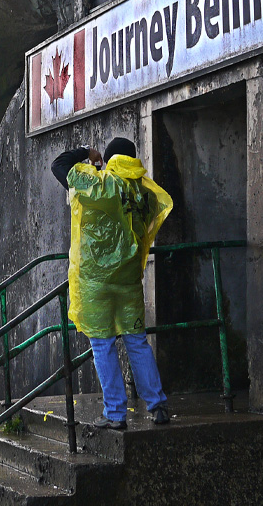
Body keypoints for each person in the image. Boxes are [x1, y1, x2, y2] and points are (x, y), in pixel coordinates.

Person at [51, 137, 174, 430]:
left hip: (96, 283)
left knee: (102, 344)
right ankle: (158, 406)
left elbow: (59, 166)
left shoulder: (100, 183)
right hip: (129, 279)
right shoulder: (144, 192)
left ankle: (116, 414)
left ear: (108, 159)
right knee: (136, 340)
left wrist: (87, 153)